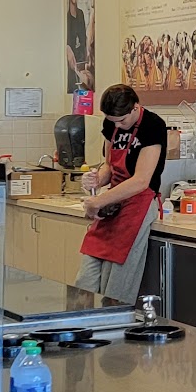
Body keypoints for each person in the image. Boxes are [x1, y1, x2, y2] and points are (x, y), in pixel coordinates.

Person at [75, 84, 166, 304]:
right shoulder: (111, 123)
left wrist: (98, 201)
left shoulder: (152, 125)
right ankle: (82, 321)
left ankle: (112, 324)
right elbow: (110, 165)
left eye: (122, 121)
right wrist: (97, 179)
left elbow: (141, 180)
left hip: (137, 207)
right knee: (84, 283)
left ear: (135, 107)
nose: (117, 125)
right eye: (112, 121)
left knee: (114, 289)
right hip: (112, 205)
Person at [65, 0, 92, 92]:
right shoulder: (65, 18)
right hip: (71, 76)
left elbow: (84, 44)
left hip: (82, 71)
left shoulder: (80, 15)